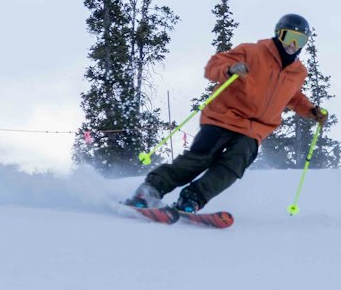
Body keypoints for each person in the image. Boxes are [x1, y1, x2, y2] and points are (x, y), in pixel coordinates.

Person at [126, 13, 327, 217]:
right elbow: (214, 66)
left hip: (254, 130)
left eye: (300, 40)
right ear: (278, 34)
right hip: (224, 116)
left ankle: (192, 199)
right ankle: (150, 190)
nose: (293, 44)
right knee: (200, 158)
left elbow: (293, 97)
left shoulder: (298, 72)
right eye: (288, 37)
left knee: (233, 166)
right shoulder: (252, 51)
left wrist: (311, 110)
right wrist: (230, 70)